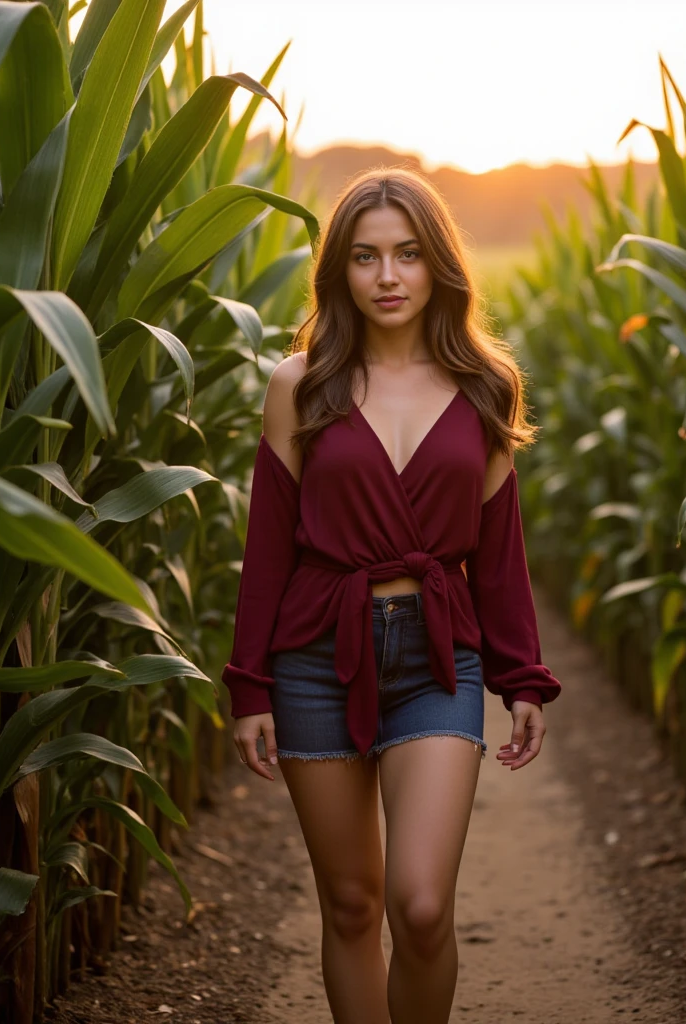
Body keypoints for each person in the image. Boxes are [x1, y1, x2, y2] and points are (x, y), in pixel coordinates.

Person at [221, 166, 562, 1024]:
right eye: (367, 257)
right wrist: (249, 685)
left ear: (437, 264)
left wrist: (522, 677)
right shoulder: (298, 385)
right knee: (349, 904)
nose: (387, 276)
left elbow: (498, 553)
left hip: (437, 659)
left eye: (408, 254)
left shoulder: (485, 388)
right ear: (339, 271)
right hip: (312, 659)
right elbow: (267, 549)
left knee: (419, 905)